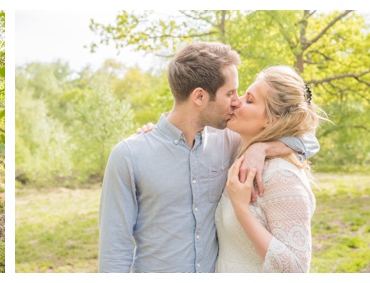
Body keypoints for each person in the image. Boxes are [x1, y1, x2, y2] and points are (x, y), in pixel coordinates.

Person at [98, 42, 319, 272]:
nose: (236, 101)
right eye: (230, 93)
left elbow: (308, 141)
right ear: (200, 97)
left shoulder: (229, 140)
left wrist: (263, 148)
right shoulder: (129, 156)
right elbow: (114, 254)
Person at [216, 65, 328, 272]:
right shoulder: (234, 150)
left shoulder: (281, 176)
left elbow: (296, 269)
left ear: (272, 120)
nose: (236, 102)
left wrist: (241, 210)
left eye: (249, 100)